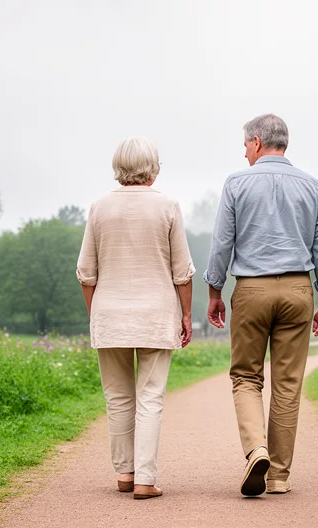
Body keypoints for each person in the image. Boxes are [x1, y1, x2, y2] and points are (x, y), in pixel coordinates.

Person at [204, 114, 318, 497]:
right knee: (288, 384)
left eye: (246, 144)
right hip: (298, 290)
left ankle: (256, 450)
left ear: (258, 142)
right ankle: (278, 475)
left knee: (246, 377)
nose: (244, 151)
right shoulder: (311, 186)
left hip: (251, 290)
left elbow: (221, 244)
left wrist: (215, 291)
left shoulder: (236, 183)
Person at [76, 137, 195, 500]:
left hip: (109, 312)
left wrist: (97, 314)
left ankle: (124, 474)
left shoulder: (99, 208)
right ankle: (145, 479)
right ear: (153, 167)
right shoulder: (168, 207)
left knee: (118, 397)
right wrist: (186, 315)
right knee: (150, 397)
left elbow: (86, 272)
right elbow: (183, 273)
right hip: (157, 314)